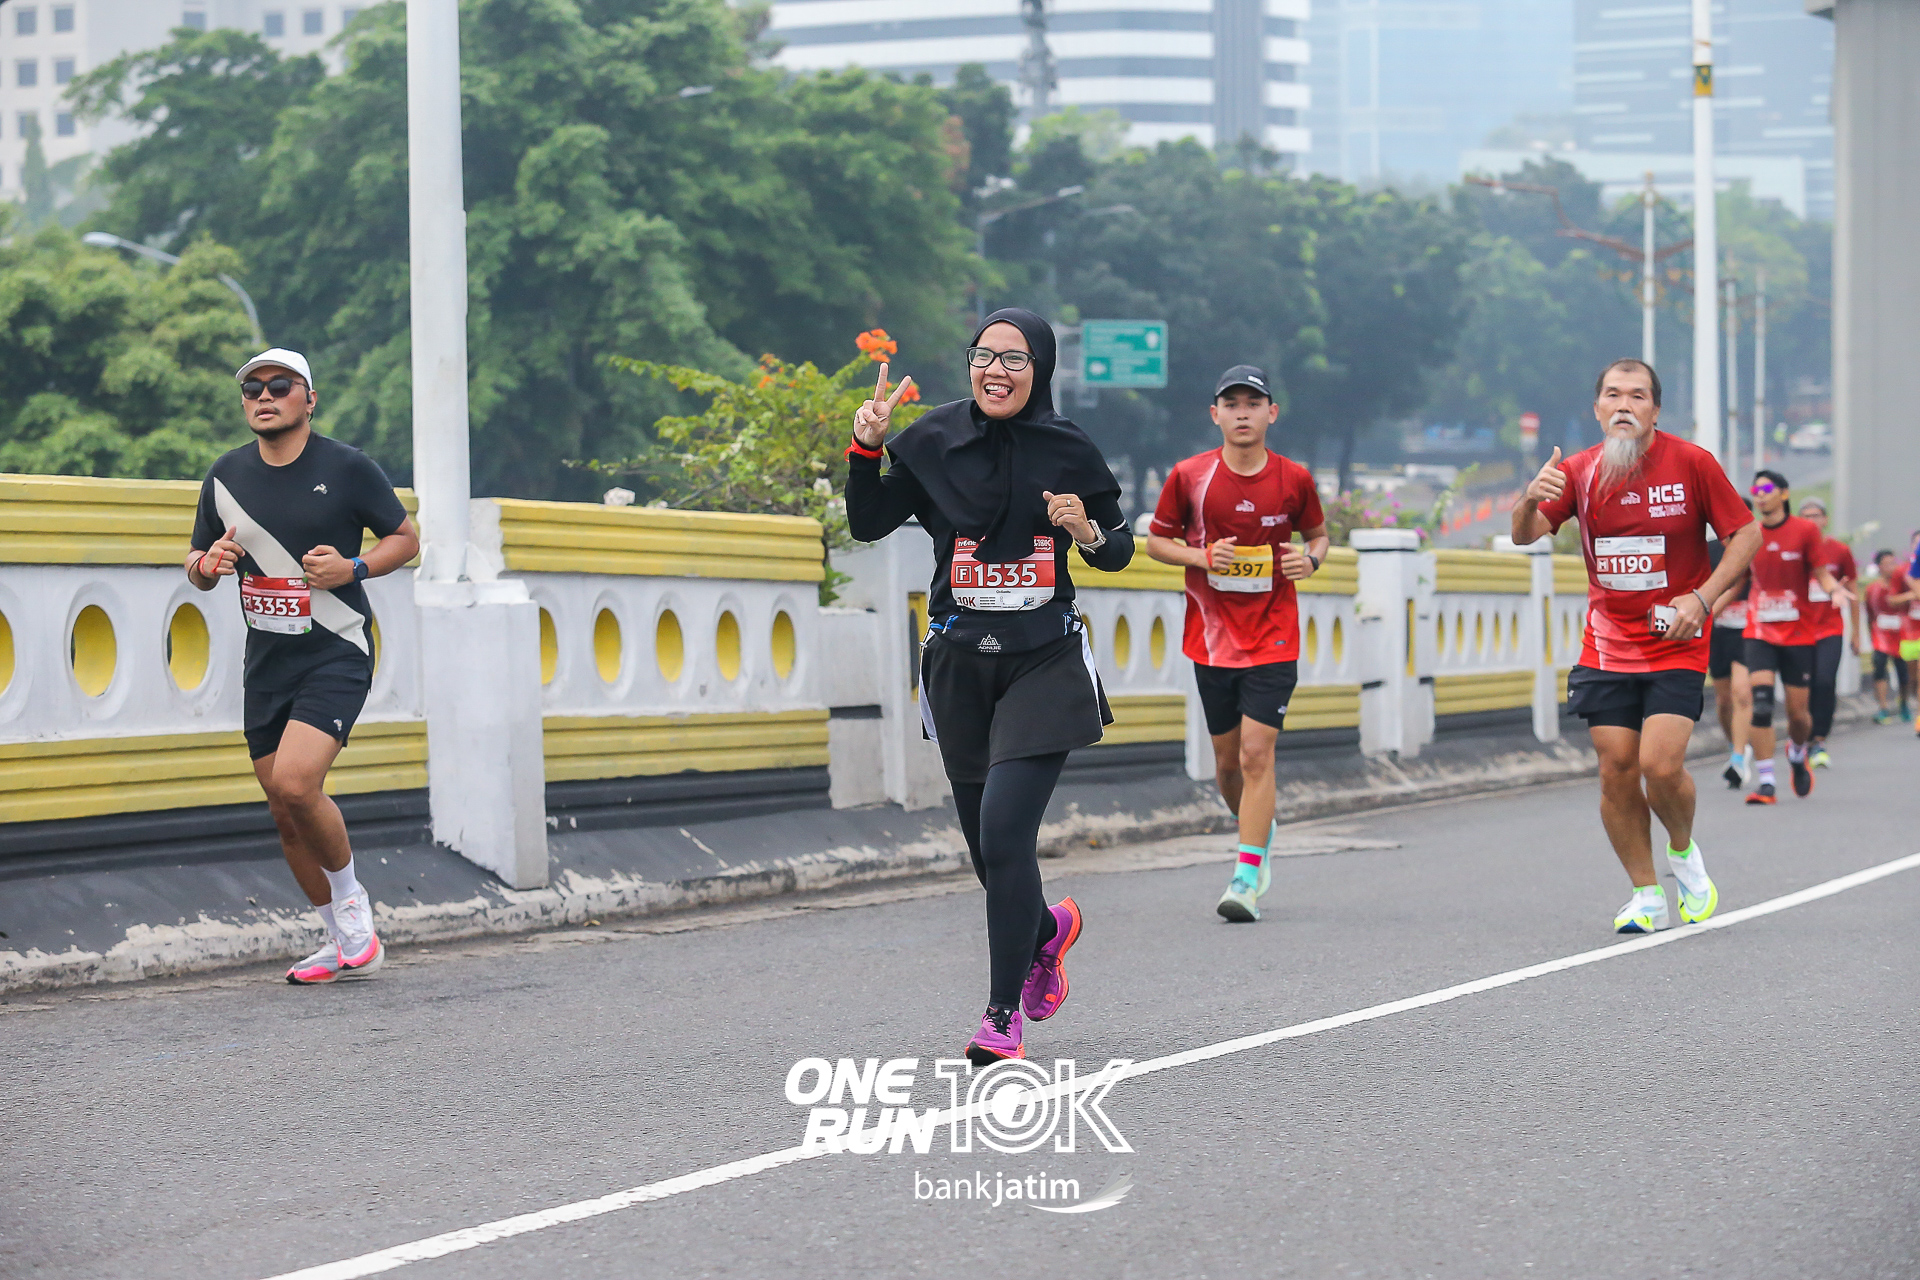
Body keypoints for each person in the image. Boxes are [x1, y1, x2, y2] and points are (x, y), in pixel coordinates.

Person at [844, 308, 1134, 1065]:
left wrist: (1086, 531)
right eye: (984, 356)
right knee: (986, 850)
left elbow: (1118, 551)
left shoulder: (1068, 449)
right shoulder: (934, 439)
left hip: (1044, 662)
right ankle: (1045, 930)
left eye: (1014, 359)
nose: (996, 371)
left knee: (1006, 833)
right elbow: (868, 522)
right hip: (959, 664)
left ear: (1041, 370)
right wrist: (866, 448)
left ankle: (1001, 1020)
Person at [187, 349, 419, 983]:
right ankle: (337, 939)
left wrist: (354, 568)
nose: (264, 396)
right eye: (253, 388)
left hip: (336, 649)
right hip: (267, 660)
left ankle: (352, 904)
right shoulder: (225, 474)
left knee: (295, 782)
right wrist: (207, 566)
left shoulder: (347, 467)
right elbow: (197, 561)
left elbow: (406, 539)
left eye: (280, 385)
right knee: (283, 809)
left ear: (309, 399)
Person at [1511, 358, 1758, 934]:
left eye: (1638, 396)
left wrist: (1702, 599)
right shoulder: (1577, 471)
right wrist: (1529, 499)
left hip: (1675, 639)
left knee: (1659, 765)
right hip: (1607, 643)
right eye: (1614, 395)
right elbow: (1524, 535)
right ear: (1597, 408)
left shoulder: (1692, 463)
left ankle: (1682, 850)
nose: (1625, 405)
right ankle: (1646, 893)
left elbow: (1745, 533)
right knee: (1616, 769)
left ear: (1655, 410)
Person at [1144, 365, 1329, 922]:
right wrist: (1201, 557)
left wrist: (1310, 560)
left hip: (1274, 634)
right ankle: (1256, 828)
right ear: (1215, 414)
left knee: (1255, 753)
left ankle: (1246, 876)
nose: (1242, 413)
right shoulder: (1190, 477)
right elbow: (1156, 542)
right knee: (1227, 766)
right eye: (1232, 404)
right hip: (1212, 638)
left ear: (1272, 413)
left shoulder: (1294, 478)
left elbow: (1318, 536)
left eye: (1253, 403)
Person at [1740, 471, 1854, 803]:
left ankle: (1797, 751)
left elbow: (1822, 574)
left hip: (1798, 634)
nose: (1760, 495)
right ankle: (1766, 782)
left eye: (1766, 489)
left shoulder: (1805, 531)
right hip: (1759, 630)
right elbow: (1737, 581)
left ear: (1784, 494)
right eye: (1755, 489)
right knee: (1761, 704)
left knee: (1798, 716)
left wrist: (1835, 591)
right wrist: (1707, 606)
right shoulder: (1750, 533)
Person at [1797, 497, 1858, 767]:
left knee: (1824, 681)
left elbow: (1853, 592)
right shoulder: (1793, 550)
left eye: (1815, 515)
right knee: (1803, 687)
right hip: (1799, 632)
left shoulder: (1840, 551)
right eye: (1805, 516)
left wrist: (1857, 634)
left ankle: (1819, 740)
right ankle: (1804, 737)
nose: (1811, 521)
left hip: (1830, 629)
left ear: (1825, 519)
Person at [1706, 505, 1755, 789]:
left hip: (1749, 631)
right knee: (1724, 701)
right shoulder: (1708, 550)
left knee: (1742, 692)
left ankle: (1738, 758)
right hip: (1717, 632)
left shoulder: (1757, 548)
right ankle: (1736, 745)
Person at [1864, 550, 1911, 724]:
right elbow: (1870, 614)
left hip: (1901, 636)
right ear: (1879, 567)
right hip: (1881, 636)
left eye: (1893, 563)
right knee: (1879, 667)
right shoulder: (1872, 589)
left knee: (1904, 674)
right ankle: (1883, 707)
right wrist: (1870, 635)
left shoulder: (1904, 586)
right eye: (1887, 564)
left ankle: (1904, 702)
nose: (1891, 567)